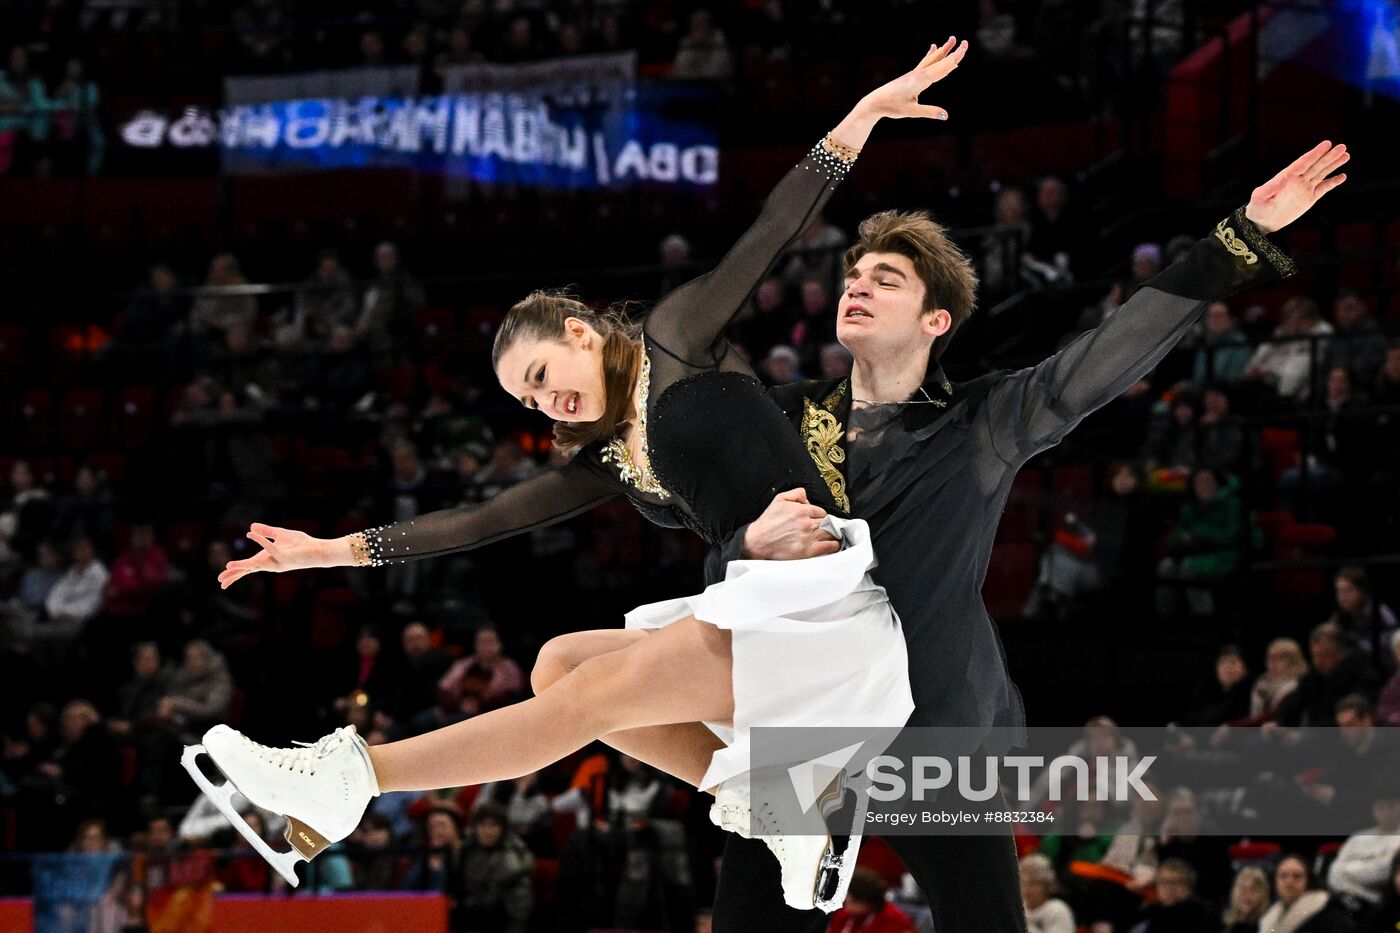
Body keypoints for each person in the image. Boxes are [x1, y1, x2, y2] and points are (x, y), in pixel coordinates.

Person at [196, 42, 971, 913]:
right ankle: (779, 811)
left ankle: (353, 776)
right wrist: (329, 550)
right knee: (558, 663)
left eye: (538, 376)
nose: (545, 403)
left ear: (576, 328)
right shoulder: (610, 455)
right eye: (529, 402)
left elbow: (772, 230)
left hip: (821, 612)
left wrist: (859, 119)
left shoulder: (679, 335)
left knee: (590, 695)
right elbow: (484, 518)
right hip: (761, 612)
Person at [696, 138, 1341, 933]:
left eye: (884, 279)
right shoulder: (783, 418)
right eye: (853, 276)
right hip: (802, 727)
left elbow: (1102, 359)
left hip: (930, 732)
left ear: (937, 318)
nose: (856, 286)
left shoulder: (980, 421)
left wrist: (1233, 241)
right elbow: (709, 536)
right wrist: (747, 548)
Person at [1258, 855, 1357, 933]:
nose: (1289, 881)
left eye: (1297, 876)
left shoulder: (1329, 912)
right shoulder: (1270, 915)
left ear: (1308, 880)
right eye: (1283, 876)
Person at [1019, 853, 1075, 933]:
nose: (1027, 888)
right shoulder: (1017, 908)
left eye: (1034, 883)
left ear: (1047, 885)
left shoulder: (1057, 910)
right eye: (1023, 883)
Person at [1222, 865, 1270, 933]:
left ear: (1263, 894)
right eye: (1243, 889)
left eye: (1253, 889)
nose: (1247, 895)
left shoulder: (1269, 924)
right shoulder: (1224, 924)